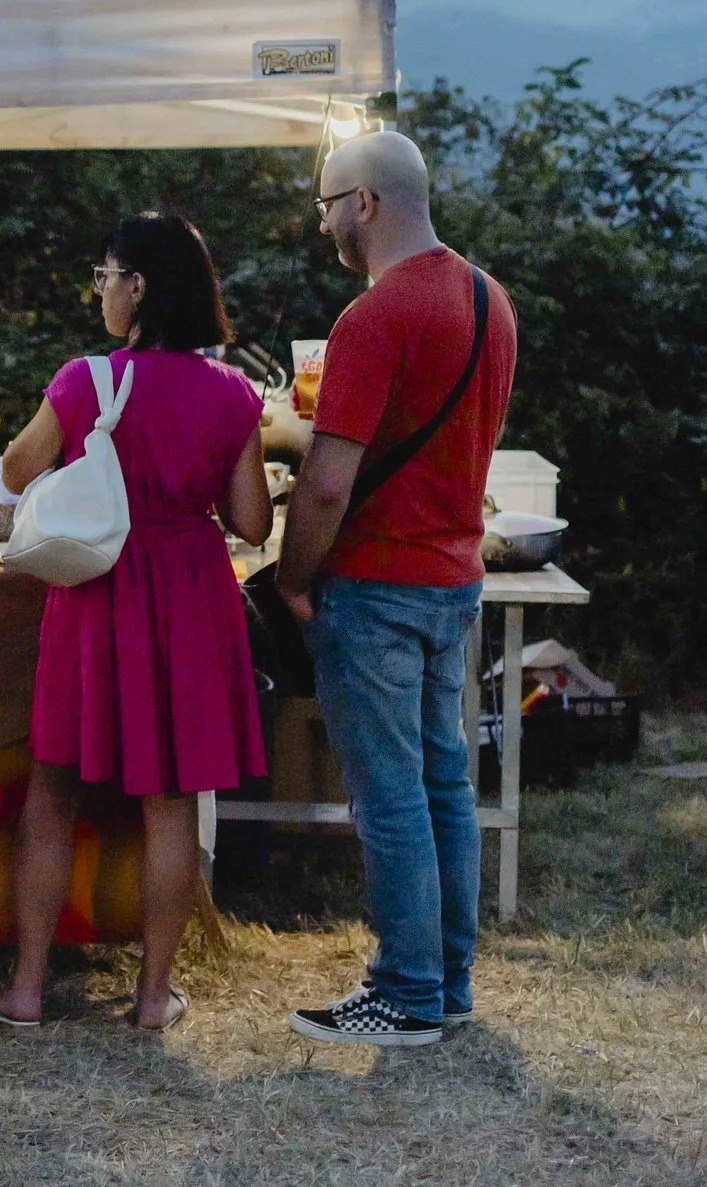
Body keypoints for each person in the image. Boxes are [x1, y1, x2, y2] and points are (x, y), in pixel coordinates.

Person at [0, 213, 272, 1033]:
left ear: (138, 286)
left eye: (106, 273)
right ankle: (151, 996)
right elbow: (250, 521)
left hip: (97, 598)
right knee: (172, 801)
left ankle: (28, 989)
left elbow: (14, 468)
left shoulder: (84, 381)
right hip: (187, 599)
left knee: (54, 791)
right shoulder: (232, 393)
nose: (100, 288)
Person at [274, 130, 517, 1049]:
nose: (326, 224)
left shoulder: (371, 318)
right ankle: (449, 983)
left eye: (328, 205)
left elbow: (330, 481)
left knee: (389, 797)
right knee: (443, 784)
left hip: (375, 586)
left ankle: (407, 992)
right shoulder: (492, 300)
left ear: (365, 204)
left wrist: (296, 581)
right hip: (455, 578)